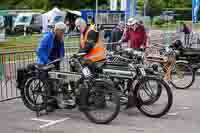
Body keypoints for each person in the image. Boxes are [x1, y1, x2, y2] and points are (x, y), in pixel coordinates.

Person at [75, 18, 107, 110]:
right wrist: (78, 54)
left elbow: (89, 46)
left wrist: (78, 55)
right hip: (91, 60)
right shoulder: (82, 33)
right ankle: (97, 101)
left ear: (83, 24)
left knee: (89, 81)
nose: (78, 28)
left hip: (97, 60)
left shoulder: (91, 31)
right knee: (94, 81)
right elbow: (82, 47)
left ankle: (89, 102)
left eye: (78, 26)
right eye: (77, 27)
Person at [36, 22, 66, 112]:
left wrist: (61, 56)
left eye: (64, 32)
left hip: (55, 62)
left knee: (56, 84)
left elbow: (61, 48)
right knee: (48, 84)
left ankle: (54, 103)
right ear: (56, 30)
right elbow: (39, 50)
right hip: (46, 63)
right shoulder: (47, 37)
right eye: (61, 32)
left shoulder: (60, 38)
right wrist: (47, 61)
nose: (62, 34)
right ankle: (47, 105)